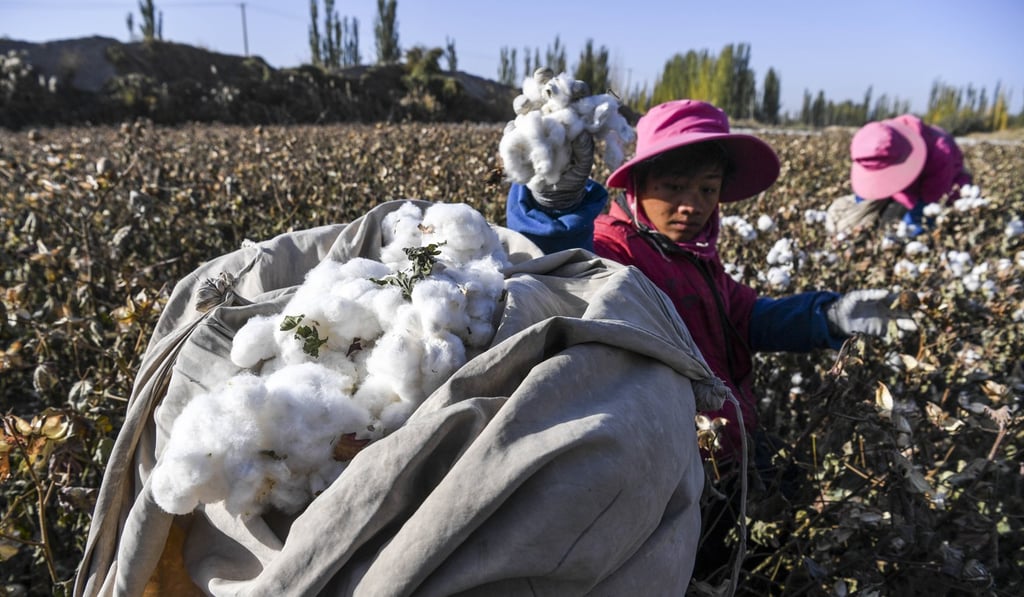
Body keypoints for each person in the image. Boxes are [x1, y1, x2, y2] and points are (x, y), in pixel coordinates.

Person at [503, 98, 916, 580]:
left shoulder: (694, 257)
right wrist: (554, 210)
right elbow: (568, 274)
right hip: (678, 480)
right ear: (636, 186)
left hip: (733, 456)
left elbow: (745, 316)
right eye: (674, 187)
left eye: (707, 188)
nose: (692, 205)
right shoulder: (617, 250)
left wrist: (827, 315)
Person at [826, 114, 974, 236]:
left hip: (945, 189)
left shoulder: (941, 154)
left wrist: (907, 235)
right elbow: (868, 190)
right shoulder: (882, 137)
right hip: (906, 187)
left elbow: (929, 203)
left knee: (903, 227)